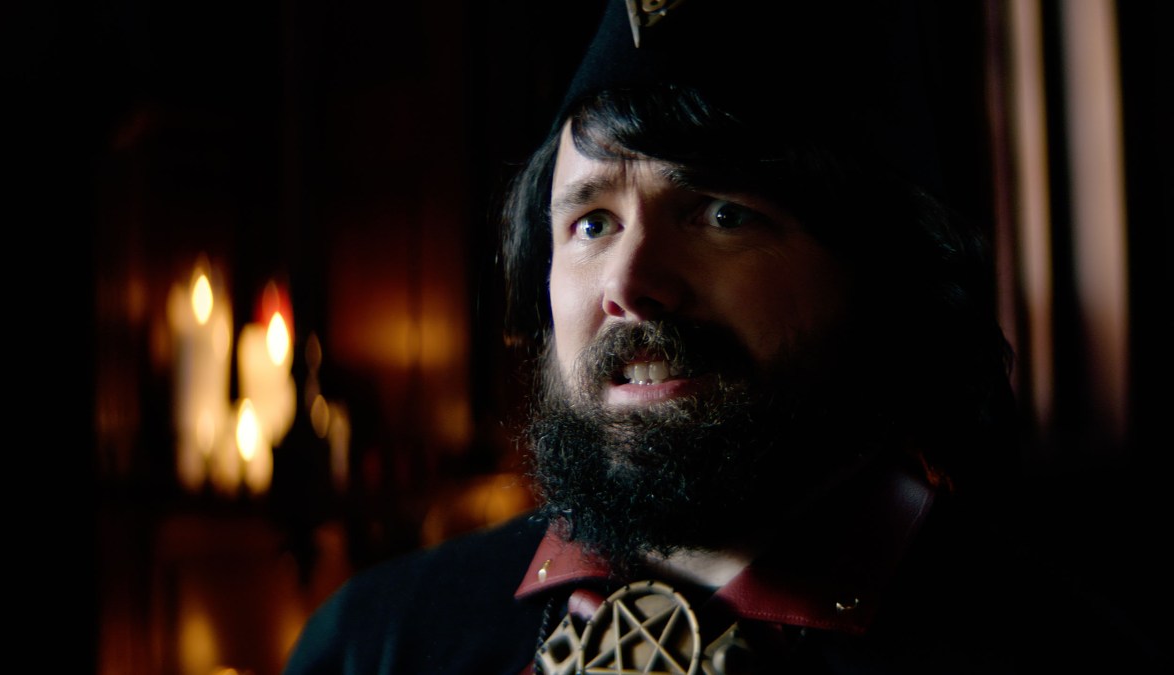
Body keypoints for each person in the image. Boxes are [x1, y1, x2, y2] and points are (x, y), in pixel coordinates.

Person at [282, 2, 1156, 673]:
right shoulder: (377, 642)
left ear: (883, 276)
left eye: (721, 213)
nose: (629, 283)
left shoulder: (1059, 650)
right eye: (591, 222)